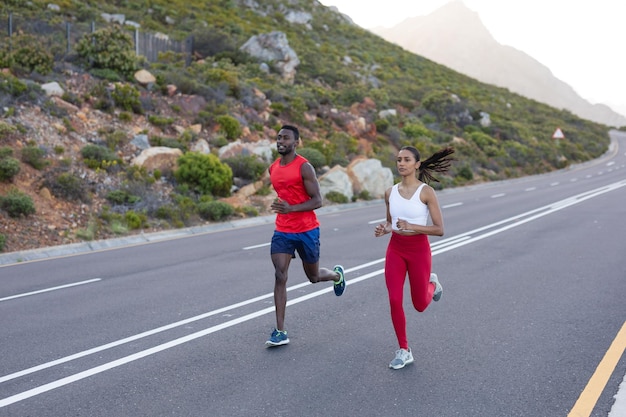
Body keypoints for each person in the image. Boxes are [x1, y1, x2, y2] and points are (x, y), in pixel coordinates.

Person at [374, 145, 454, 369]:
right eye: (399, 159)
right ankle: (404, 350)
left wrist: (412, 226)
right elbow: (392, 222)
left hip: (419, 250)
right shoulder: (390, 192)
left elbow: (439, 229)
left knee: (420, 305)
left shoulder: (426, 192)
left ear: (417, 164)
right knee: (394, 299)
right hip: (396, 249)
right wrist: (385, 229)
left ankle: (432, 284)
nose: (401, 163)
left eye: (407, 160)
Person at [265, 125, 346, 347]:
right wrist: (283, 208)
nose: (281, 141)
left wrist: (291, 208)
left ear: (296, 142)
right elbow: (284, 196)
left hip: (307, 230)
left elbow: (317, 200)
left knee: (313, 277)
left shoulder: (304, 167)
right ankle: (280, 331)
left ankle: (336, 276)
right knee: (280, 275)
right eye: (279, 137)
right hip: (283, 230)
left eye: (286, 138)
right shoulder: (273, 168)